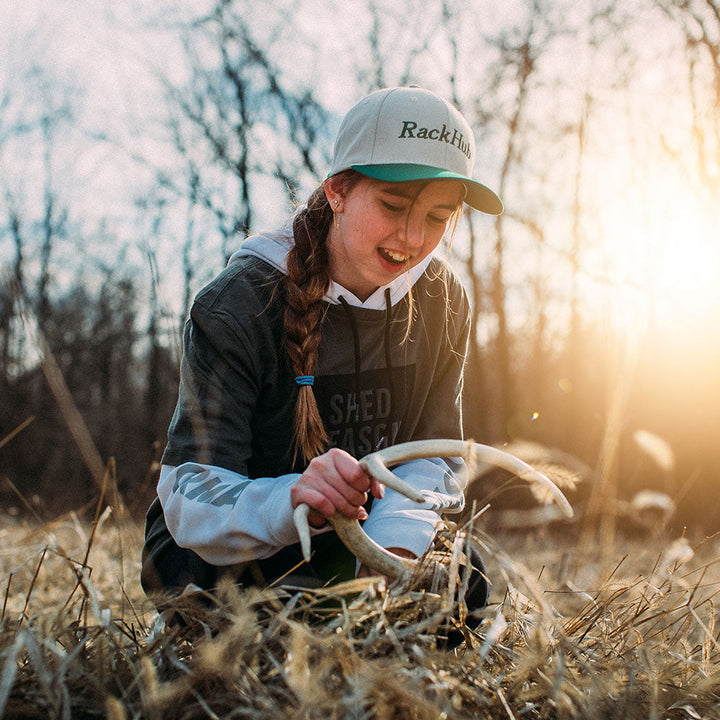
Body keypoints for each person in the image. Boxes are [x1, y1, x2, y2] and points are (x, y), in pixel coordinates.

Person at [141, 86, 503, 607]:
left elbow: (439, 455)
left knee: (463, 582)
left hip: (365, 541)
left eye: (437, 217)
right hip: (242, 547)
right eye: (393, 204)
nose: (410, 237)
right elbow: (190, 492)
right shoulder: (237, 304)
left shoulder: (443, 299)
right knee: (251, 607)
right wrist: (290, 500)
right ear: (337, 191)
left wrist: (390, 555)